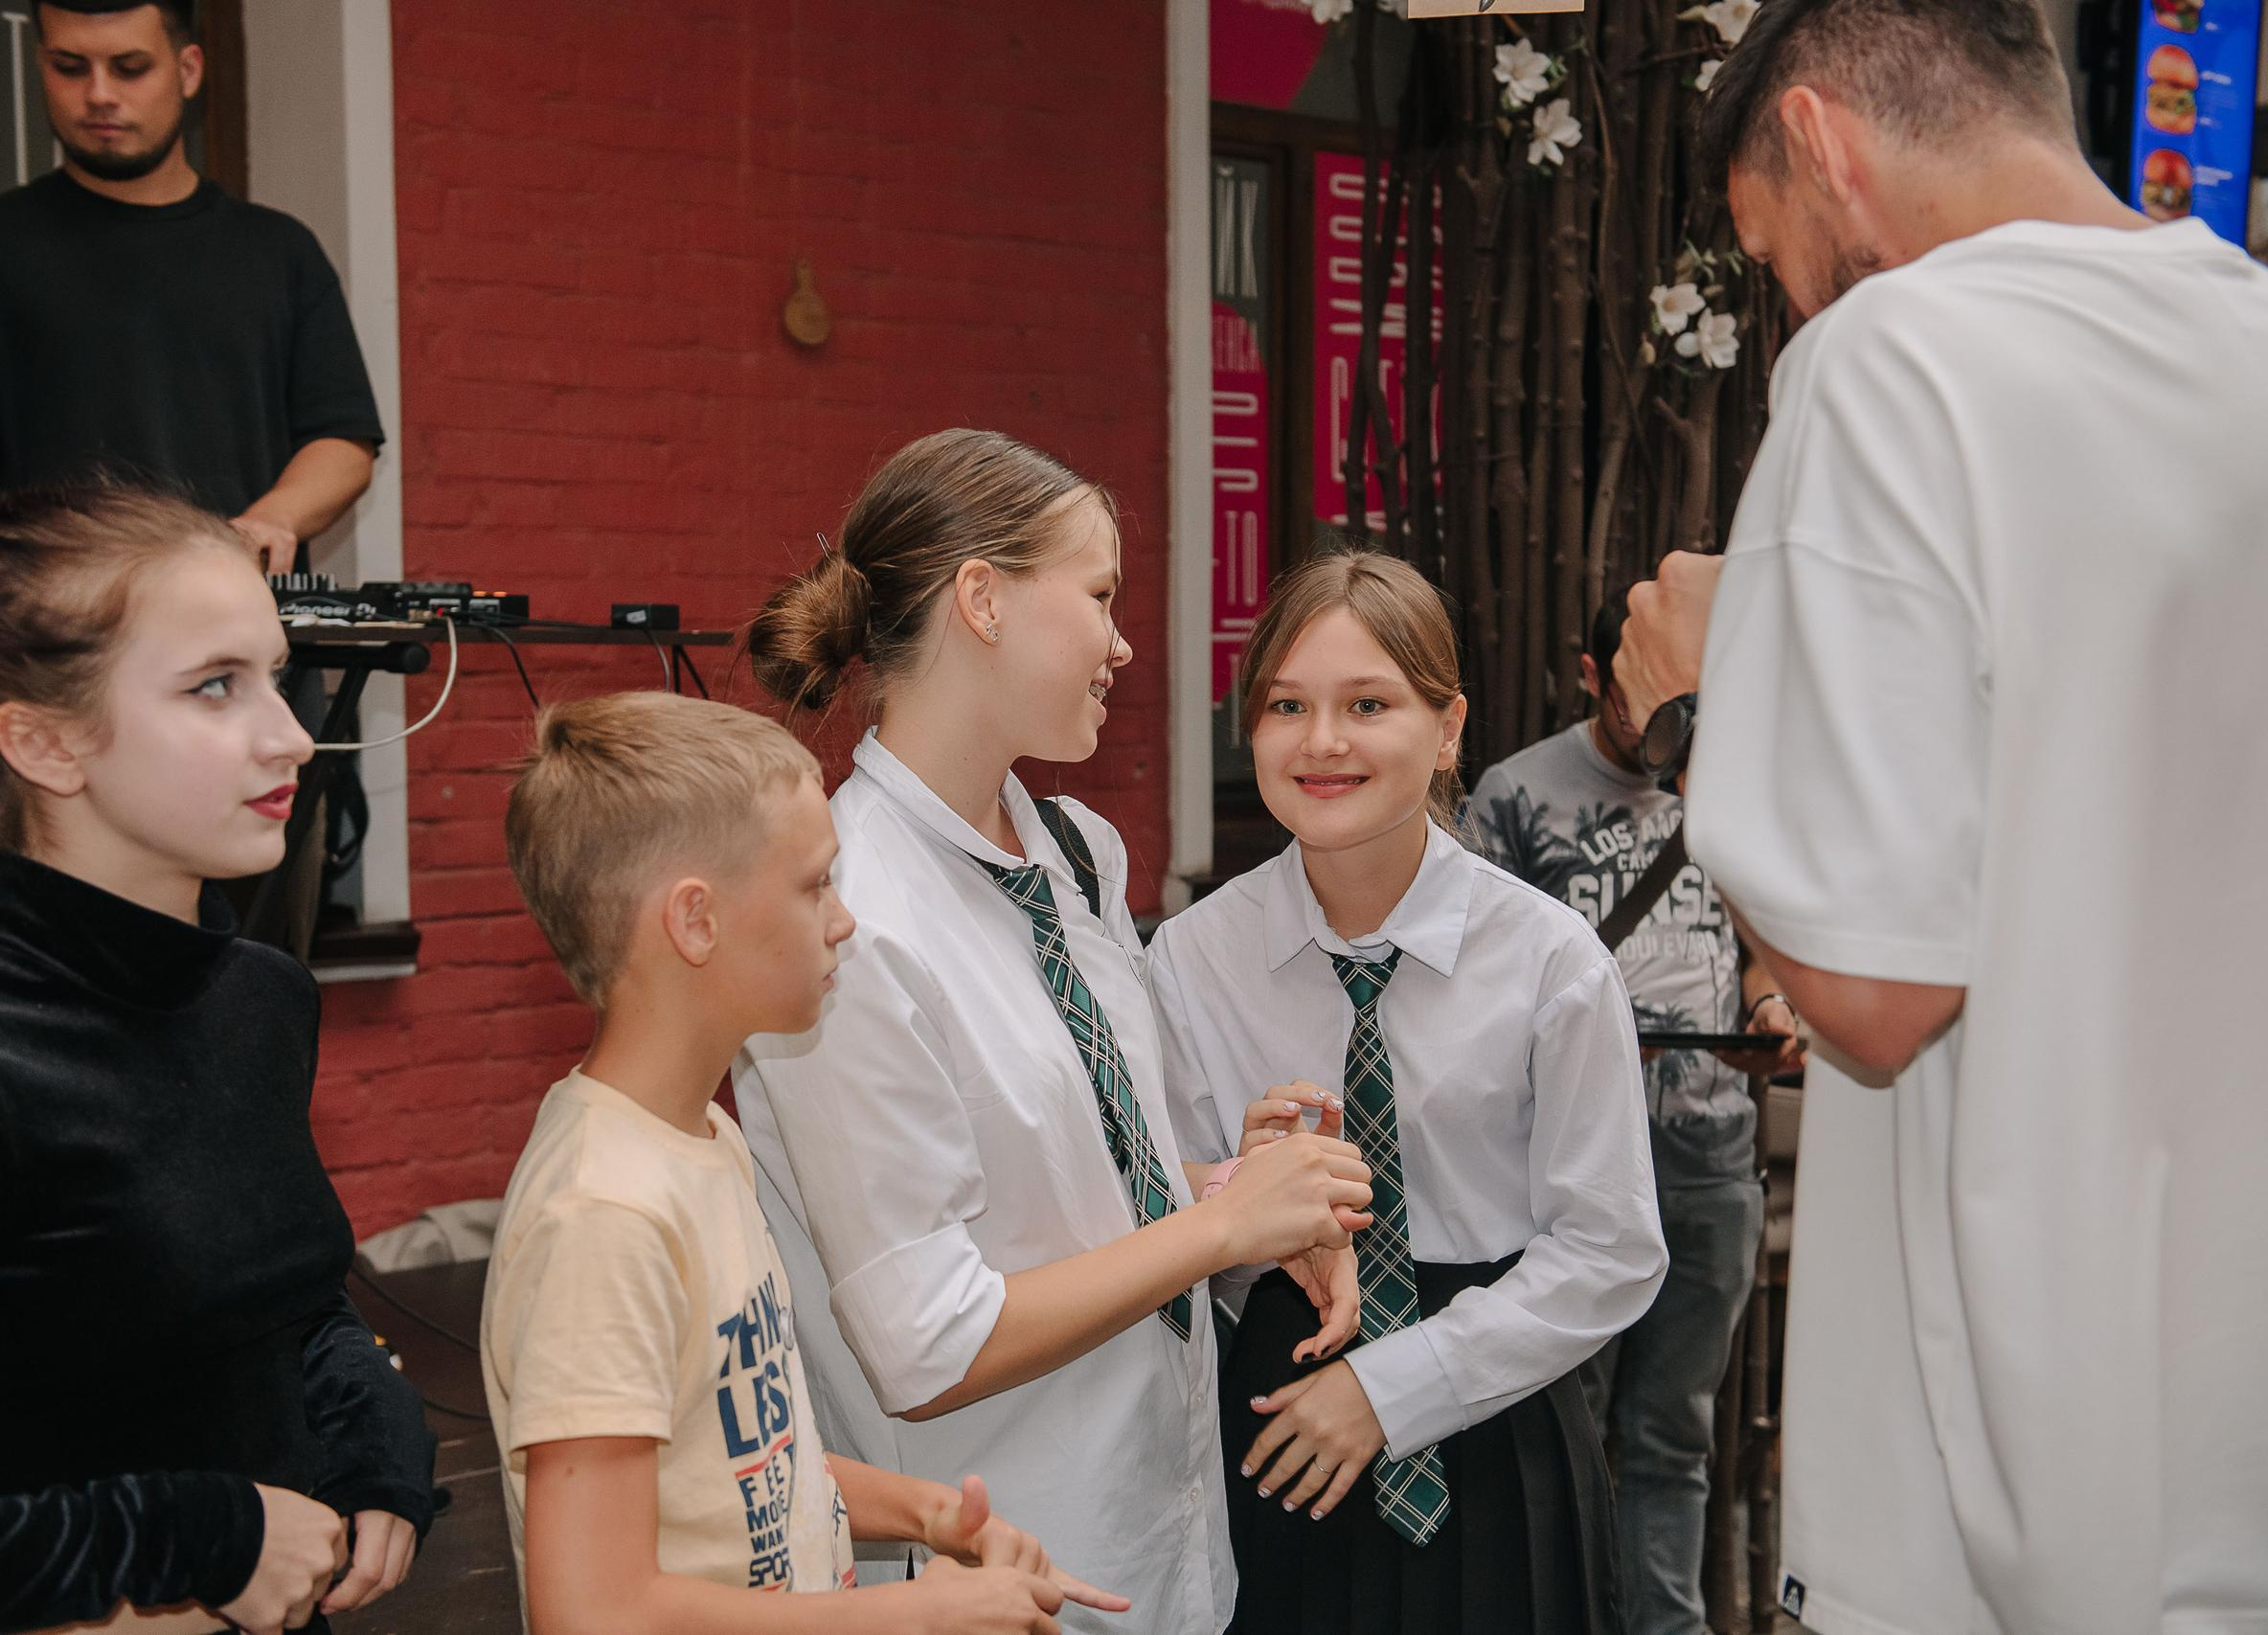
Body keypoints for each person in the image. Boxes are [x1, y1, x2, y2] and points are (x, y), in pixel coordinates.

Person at [1610, 2, 2268, 1630]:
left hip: (2027, 1488)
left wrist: (1708, 699)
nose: (1795, 305)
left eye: (1778, 258)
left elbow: (1875, 991)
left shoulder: (1893, 360)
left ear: (1820, 141)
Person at [733, 429, 1376, 1634]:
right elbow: (924, 1347)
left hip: (1170, 1530)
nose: (1121, 642)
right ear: (983, 600)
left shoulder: (1075, 850)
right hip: (999, 1563)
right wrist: (1218, 1228)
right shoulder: (847, 916)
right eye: (1099, 596)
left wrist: (1234, 1189)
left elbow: (1071, 1188)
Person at [0, 485, 435, 1634]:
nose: (292, 735)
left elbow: (280, 1304)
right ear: (45, 744)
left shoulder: (263, 998)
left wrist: (372, 1428)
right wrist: (194, 1533)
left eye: (275, 673)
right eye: (215, 686)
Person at [481, 690, 1123, 1635]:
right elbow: (594, 1609)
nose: (843, 920)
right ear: (695, 921)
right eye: (815, 884)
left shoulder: (703, 1138)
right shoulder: (604, 1214)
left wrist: (930, 1515)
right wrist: (912, 1617)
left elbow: (747, 1471)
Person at [1147, 551, 1667, 1635]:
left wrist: (1392, 1389)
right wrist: (1239, 1197)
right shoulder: (1193, 958)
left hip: (1497, 1418)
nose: (1322, 741)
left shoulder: (1550, 959)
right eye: (1287, 705)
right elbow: (1168, 1236)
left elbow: (1611, 1248)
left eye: (1367, 705)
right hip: (1281, 1425)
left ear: (1447, 729)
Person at [1466, 603, 1799, 1635]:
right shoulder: (1515, 792)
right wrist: (1589, 1044)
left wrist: (1767, 1005)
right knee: (1570, 1432)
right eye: (1635, 697)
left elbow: (1759, 941)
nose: (1657, 721)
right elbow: (1474, 980)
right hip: (1577, 1173)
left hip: (1711, 1159)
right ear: (1589, 673)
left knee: (1674, 1439)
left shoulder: (1724, 782)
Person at [0, 0, 381, 571]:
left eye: (130, 68)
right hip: (53, 617)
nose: (99, 94)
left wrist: (271, 519)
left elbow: (342, 440)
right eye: (70, 67)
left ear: (188, 70)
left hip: (238, 613)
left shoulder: (281, 252)